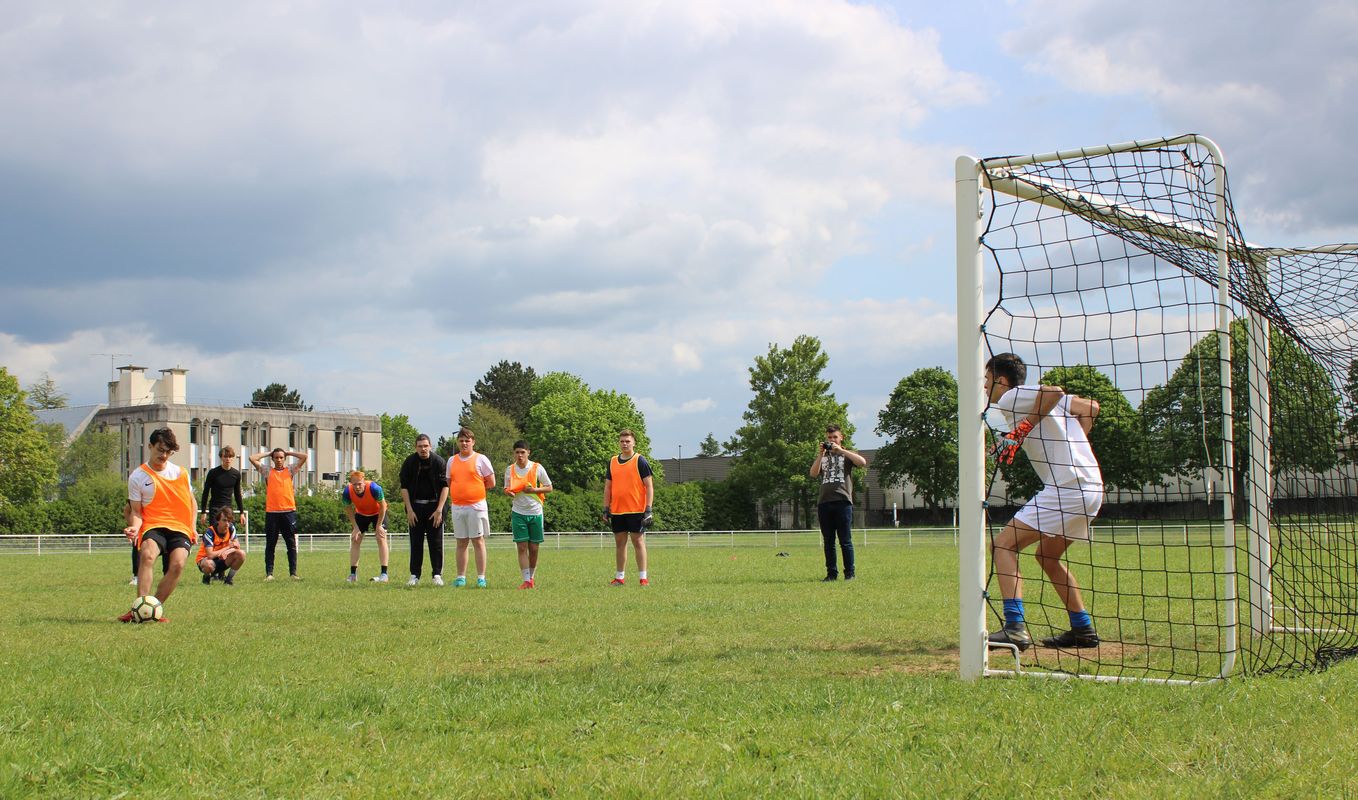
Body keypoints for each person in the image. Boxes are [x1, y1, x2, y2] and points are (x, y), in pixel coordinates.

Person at [984, 352, 1104, 651]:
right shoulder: (1038, 401)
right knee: (1047, 557)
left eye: (987, 380)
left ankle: (1014, 628)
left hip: (1068, 488)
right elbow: (1091, 407)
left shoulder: (1011, 398)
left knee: (1003, 546)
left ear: (1001, 380)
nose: (984, 387)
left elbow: (1054, 391)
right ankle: (1083, 630)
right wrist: (1071, 446)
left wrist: (1022, 429)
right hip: (1091, 487)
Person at [118, 427, 196, 622]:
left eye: (168, 452)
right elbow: (136, 511)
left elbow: (192, 502)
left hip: (180, 527)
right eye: (160, 450)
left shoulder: (180, 473)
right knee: (147, 555)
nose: (164, 455)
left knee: (178, 564)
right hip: (154, 525)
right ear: (150, 446)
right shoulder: (138, 476)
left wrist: (193, 527)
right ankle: (139, 608)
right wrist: (134, 528)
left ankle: (152, 610)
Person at [809, 424, 868, 582]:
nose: (832, 440)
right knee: (828, 541)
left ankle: (850, 574)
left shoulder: (847, 454)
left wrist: (841, 450)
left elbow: (862, 462)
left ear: (841, 438)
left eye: (835, 437)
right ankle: (831, 574)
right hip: (824, 502)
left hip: (842, 501)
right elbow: (813, 473)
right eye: (829, 437)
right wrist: (821, 454)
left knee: (845, 540)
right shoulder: (823, 456)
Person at [248, 446, 308, 581]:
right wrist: (269, 453)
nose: (279, 460)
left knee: (291, 544)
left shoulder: (290, 470)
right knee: (270, 544)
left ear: (284, 458)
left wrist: (288, 452)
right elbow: (252, 458)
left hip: (288, 512)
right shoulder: (267, 471)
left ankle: (293, 573)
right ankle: (269, 574)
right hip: (272, 512)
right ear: (273, 459)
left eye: (281, 457)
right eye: (276, 457)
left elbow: (304, 457)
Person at [603, 429, 653, 586]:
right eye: (622, 441)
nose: (624, 444)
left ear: (634, 443)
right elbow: (608, 487)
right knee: (620, 544)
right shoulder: (612, 461)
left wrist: (648, 509)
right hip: (617, 510)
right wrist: (606, 508)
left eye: (627, 441)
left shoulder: (640, 461)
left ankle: (643, 578)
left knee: (638, 542)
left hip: (636, 509)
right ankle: (619, 577)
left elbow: (649, 486)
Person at [445, 427, 495, 588]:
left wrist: (474, 490)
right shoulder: (451, 460)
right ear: (457, 442)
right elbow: (449, 481)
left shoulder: (481, 459)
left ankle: (481, 578)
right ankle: (461, 577)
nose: (464, 443)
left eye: (467, 441)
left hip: (476, 506)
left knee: (478, 541)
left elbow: (491, 482)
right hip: (458, 506)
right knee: (461, 542)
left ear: (473, 442)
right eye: (461, 441)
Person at [399, 434, 449, 586]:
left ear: (430, 446)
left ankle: (437, 575)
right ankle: (414, 575)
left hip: (435, 507)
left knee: (436, 543)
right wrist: (409, 510)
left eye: (425, 446)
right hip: (415, 507)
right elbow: (404, 487)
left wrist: (439, 510)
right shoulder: (409, 462)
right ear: (415, 447)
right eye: (420, 446)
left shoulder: (439, 462)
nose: (423, 449)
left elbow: (445, 487)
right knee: (416, 542)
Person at [503, 440, 552, 589]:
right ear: (514, 453)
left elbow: (549, 487)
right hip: (518, 512)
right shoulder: (510, 469)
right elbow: (506, 488)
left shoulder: (537, 468)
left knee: (534, 548)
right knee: (522, 547)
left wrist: (534, 490)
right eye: (517, 452)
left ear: (528, 453)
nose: (520, 455)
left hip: (535, 512)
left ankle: (531, 577)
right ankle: (526, 580)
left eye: (522, 452)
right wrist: (509, 492)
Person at [343, 470, 390, 583]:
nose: (357, 487)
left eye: (359, 484)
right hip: (361, 514)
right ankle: (353, 575)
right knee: (355, 539)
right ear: (351, 483)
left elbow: (383, 506)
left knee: (381, 537)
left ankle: (384, 574)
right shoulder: (347, 491)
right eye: (354, 484)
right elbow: (348, 509)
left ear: (364, 482)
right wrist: (355, 527)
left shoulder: (374, 488)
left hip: (378, 513)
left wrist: (379, 525)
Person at [196, 506, 246, 585]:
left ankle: (229, 580)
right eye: (224, 520)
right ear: (218, 520)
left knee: (241, 554)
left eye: (229, 521)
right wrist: (228, 548)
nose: (227, 523)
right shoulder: (209, 532)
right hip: (206, 561)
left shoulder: (231, 528)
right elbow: (210, 555)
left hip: (222, 559)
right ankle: (206, 577)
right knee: (208, 564)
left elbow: (237, 546)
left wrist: (228, 551)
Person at [198, 445, 244, 530]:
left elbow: (237, 494)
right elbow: (206, 492)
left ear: (232, 458)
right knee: (215, 532)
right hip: (215, 508)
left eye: (230, 457)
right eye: (225, 456)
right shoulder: (213, 473)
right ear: (221, 458)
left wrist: (241, 512)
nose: (228, 459)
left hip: (228, 508)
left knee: (230, 532)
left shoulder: (236, 474)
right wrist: (203, 512)